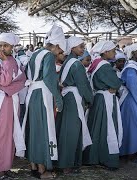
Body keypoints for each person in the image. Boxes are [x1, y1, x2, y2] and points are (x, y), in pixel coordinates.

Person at [22, 25, 64, 179]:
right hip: (42, 95)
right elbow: (49, 79)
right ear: (57, 45)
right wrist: (59, 100)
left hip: (32, 93)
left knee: (33, 130)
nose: (59, 53)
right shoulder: (48, 56)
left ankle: (33, 165)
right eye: (60, 51)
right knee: (42, 131)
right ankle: (41, 170)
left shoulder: (35, 53)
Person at [0, 33, 27, 179]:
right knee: (0, 134)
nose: (3, 48)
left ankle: (6, 166)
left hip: (12, 100)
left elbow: (22, 80)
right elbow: (4, 82)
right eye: (0, 45)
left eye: (6, 45)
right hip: (3, 101)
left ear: (12, 47)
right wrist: (5, 63)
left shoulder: (15, 61)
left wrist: (11, 84)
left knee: (10, 134)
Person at [56, 37, 93, 174]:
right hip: (74, 98)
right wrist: (90, 99)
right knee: (71, 132)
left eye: (83, 46)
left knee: (67, 130)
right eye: (80, 46)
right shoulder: (77, 65)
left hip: (67, 97)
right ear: (72, 48)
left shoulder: (67, 62)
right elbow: (83, 85)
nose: (83, 49)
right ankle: (67, 165)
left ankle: (68, 163)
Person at [83, 41, 122, 170]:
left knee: (97, 128)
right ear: (105, 52)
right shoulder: (105, 66)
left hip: (99, 98)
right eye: (113, 50)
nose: (115, 53)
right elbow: (116, 83)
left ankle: (93, 156)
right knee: (107, 129)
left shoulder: (96, 63)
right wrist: (114, 87)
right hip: (106, 99)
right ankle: (106, 158)